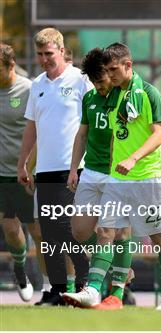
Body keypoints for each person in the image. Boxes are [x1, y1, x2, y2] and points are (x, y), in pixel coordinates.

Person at [62, 42, 161, 311]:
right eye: (107, 70)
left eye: (114, 69)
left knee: (158, 238)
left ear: (128, 65)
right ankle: (94, 290)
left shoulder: (148, 93)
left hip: (147, 176)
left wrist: (133, 158)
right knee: (105, 231)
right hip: (118, 177)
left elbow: (159, 134)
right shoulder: (113, 94)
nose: (111, 75)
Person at [17, 28, 92, 305]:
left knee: (63, 227)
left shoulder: (81, 80)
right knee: (46, 232)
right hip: (44, 171)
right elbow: (32, 129)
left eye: (48, 53)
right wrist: (24, 164)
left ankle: (84, 278)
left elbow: (91, 125)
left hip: (73, 168)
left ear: (61, 50)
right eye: (39, 54)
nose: (44, 59)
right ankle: (58, 290)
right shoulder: (37, 84)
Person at [66, 47, 133, 310]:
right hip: (91, 172)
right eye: (94, 83)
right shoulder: (90, 99)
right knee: (80, 231)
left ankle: (113, 292)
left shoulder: (124, 98)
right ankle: (118, 265)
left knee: (116, 232)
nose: (99, 87)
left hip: (118, 174)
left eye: (102, 81)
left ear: (110, 73)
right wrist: (74, 169)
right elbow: (82, 135)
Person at [0, 42, 44, 303]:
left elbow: (40, 129)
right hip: (2, 174)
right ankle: (19, 269)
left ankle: (55, 287)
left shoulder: (29, 89)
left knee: (38, 231)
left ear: (11, 65)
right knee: (9, 227)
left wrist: (31, 167)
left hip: (28, 173)